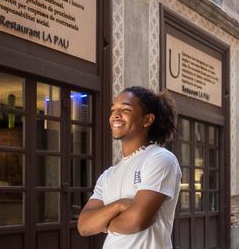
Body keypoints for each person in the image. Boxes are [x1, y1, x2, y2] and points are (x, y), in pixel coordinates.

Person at [77, 86, 181, 249]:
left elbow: (136, 221)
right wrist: (118, 205)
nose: (115, 116)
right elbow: (84, 226)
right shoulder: (108, 175)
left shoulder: (160, 159)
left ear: (147, 120)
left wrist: (104, 221)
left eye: (125, 109)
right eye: (113, 110)